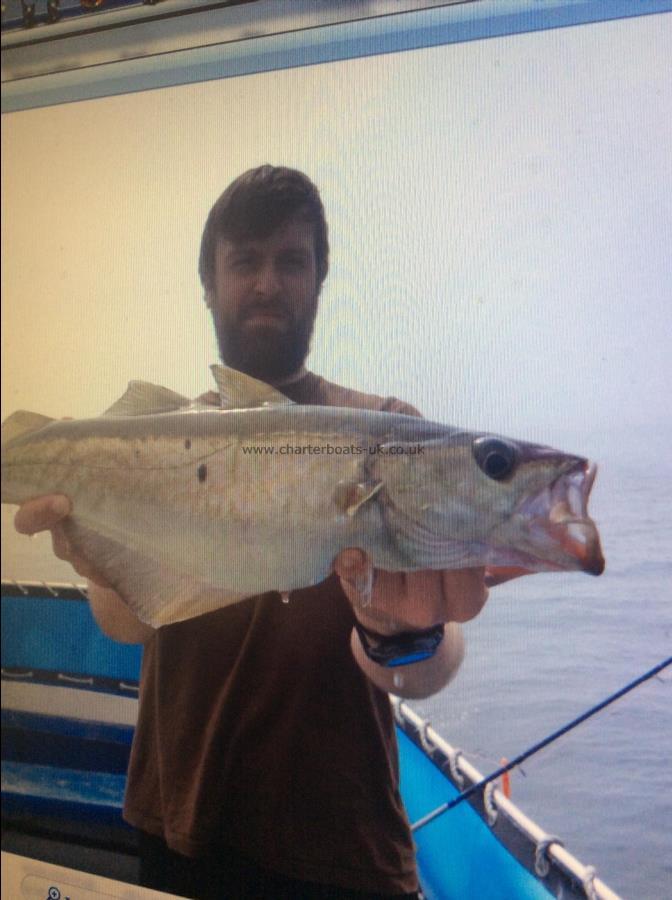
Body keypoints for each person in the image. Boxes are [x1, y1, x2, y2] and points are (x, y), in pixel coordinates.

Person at [14, 166, 488, 899]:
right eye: (245, 261)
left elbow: (427, 669)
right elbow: (130, 625)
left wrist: (406, 630)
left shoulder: (392, 434)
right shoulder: (153, 445)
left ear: (320, 278)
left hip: (341, 845)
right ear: (209, 282)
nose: (267, 283)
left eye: (290, 260)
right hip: (180, 826)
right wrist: (97, 561)